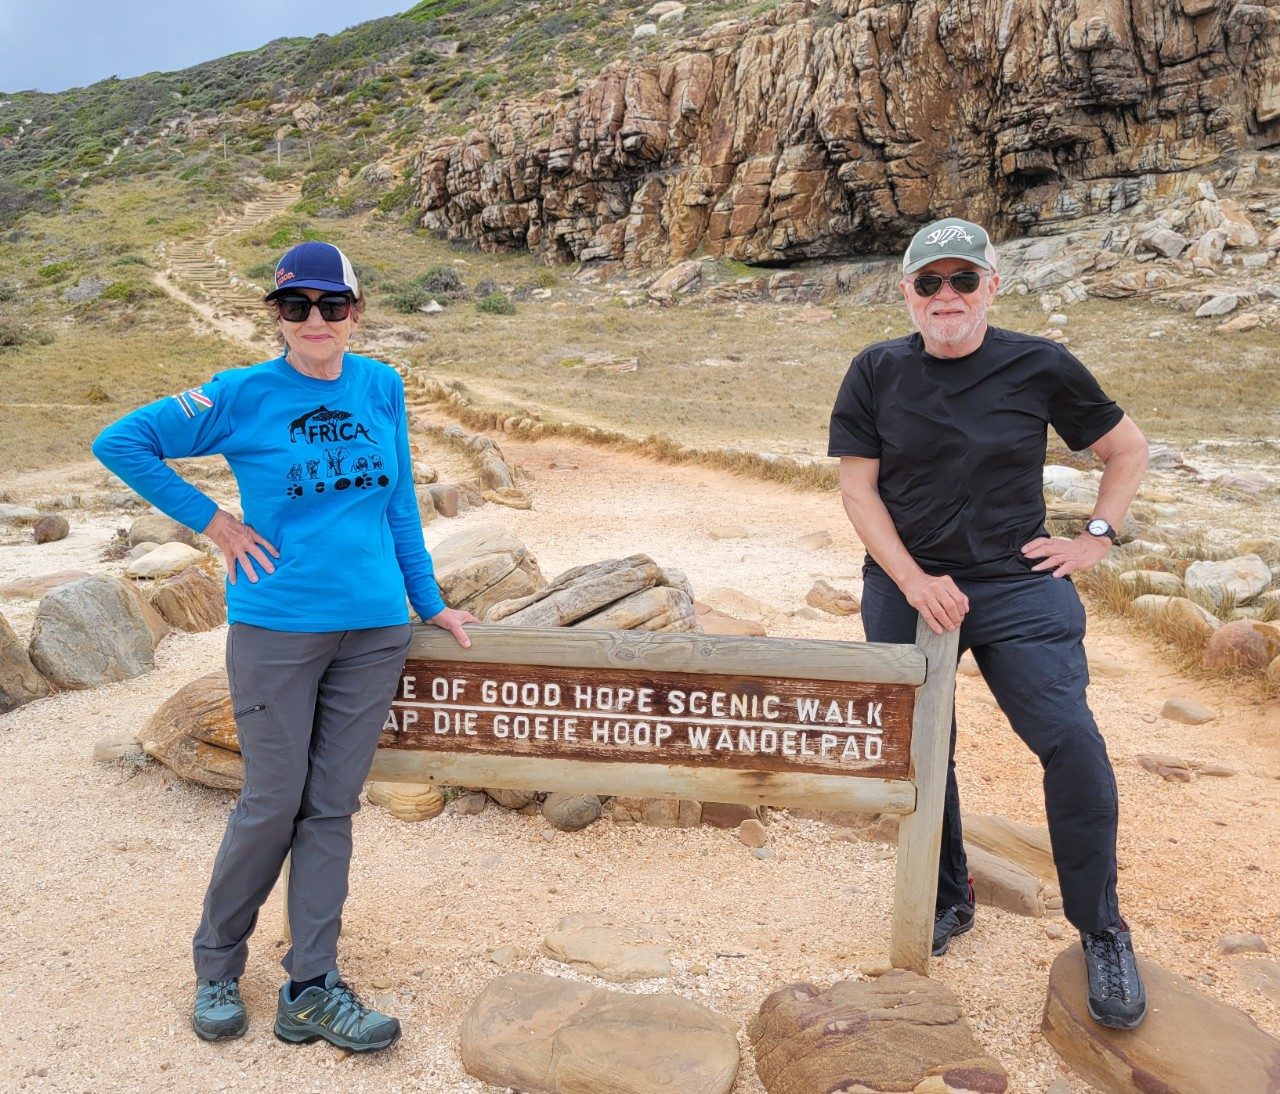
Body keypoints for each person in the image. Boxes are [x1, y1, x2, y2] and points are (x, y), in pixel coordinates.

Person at [93, 241, 478, 1052]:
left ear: (355, 312)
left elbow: (400, 498)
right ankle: (217, 968)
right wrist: (214, 523)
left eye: (331, 305)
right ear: (276, 315)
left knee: (331, 807)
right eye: (296, 306)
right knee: (272, 802)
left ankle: (311, 986)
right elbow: (123, 442)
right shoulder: (240, 393)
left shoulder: (381, 384)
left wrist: (428, 601)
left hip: (373, 632)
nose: (315, 320)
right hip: (278, 628)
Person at [828, 218, 1151, 1029]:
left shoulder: (1039, 363)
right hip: (908, 586)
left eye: (962, 280)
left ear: (991, 288)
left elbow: (1127, 449)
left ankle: (1101, 929)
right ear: (905, 292)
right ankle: (950, 893)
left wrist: (1094, 540)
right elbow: (859, 490)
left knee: (1070, 740)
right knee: (920, 749)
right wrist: (911, 578)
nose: (946, 297)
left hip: (1017, 583)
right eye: (929, 282)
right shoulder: (874, 370)